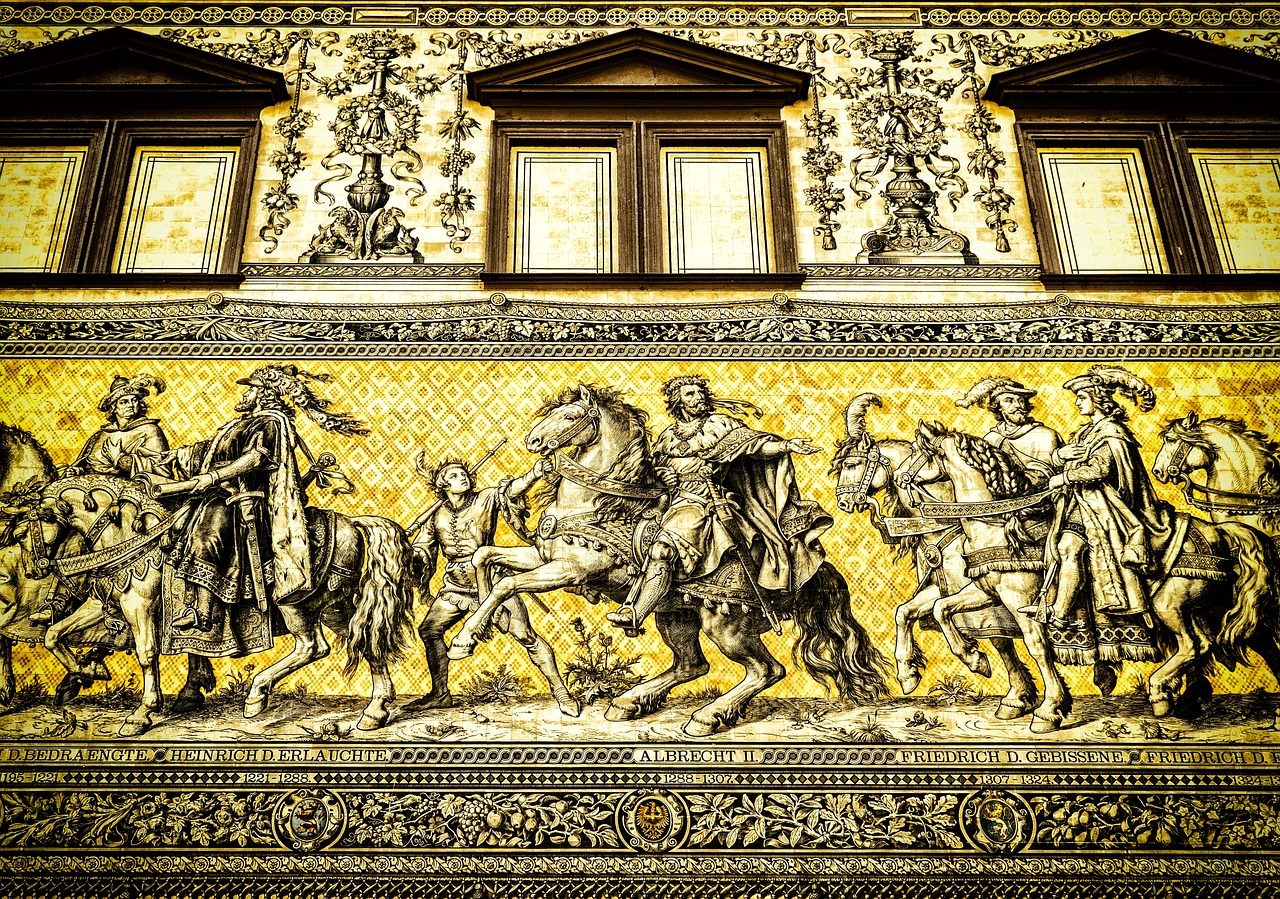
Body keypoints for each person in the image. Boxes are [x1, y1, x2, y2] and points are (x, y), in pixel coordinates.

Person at [605, 374, 830, 632]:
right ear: (677, 401)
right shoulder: (668, 436)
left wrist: (785, 446)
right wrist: (662, 475)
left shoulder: (719, 425)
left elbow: (755, 447)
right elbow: (654, 470)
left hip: (702, 502)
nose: (698, 397)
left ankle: (636, 613)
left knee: (661, 550)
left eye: (700, 392)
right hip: (667, 502)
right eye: (690, 394)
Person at [167, 364, 367, 633]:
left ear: (263, 393)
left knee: (206, 536)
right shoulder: (240, 424)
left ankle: (202, 612)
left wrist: (212, 478)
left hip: (244, 497)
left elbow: (254, 459)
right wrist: (175, 455)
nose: (245, 394)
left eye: (250, 389)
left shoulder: (270, 422)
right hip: (217, 491)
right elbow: (210, 450)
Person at [407, 456, 578, 716]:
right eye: (454, 476)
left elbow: (511, 490)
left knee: (526, 636)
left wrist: (533, 474)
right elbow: (424, 548)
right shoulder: (436, 515)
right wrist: (412, 553)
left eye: (464, 473)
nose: (463, 478)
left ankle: (561, 692)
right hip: (456, 585)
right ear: (443, 485)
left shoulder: (485, 498)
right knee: (429, 630)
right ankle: (440, 694)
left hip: (491, 579)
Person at [30, 375, 172, 626]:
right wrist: (76, 471)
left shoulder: (150, 431)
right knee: (70, 534)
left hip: (131, 503)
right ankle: (60, 602)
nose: (130, 405)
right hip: (94, 505)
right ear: (113, 407)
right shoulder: (102, 435)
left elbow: (161, 470)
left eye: (134, 400)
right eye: (124, 401)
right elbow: (86, 465)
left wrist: (121, 461)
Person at [1044, 365, 1174, 625]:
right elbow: (1072, 457)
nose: (1078, 403)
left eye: (1082, 398)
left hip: (1105, 506)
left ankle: (1060, 613)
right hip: (1082, 502)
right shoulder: (1087, 431)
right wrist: (1059, 456)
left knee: (1069, 547)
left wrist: (1065, 477)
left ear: (1098, 400)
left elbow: (1100, 470)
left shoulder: (1111, 432)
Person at [957, 376, 1061, 486]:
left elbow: (1048, 477)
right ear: (998, 406)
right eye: (1009, 401)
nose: (1018, 405)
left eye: (1021, 401)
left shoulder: (1045, 435)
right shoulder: (991, 438)